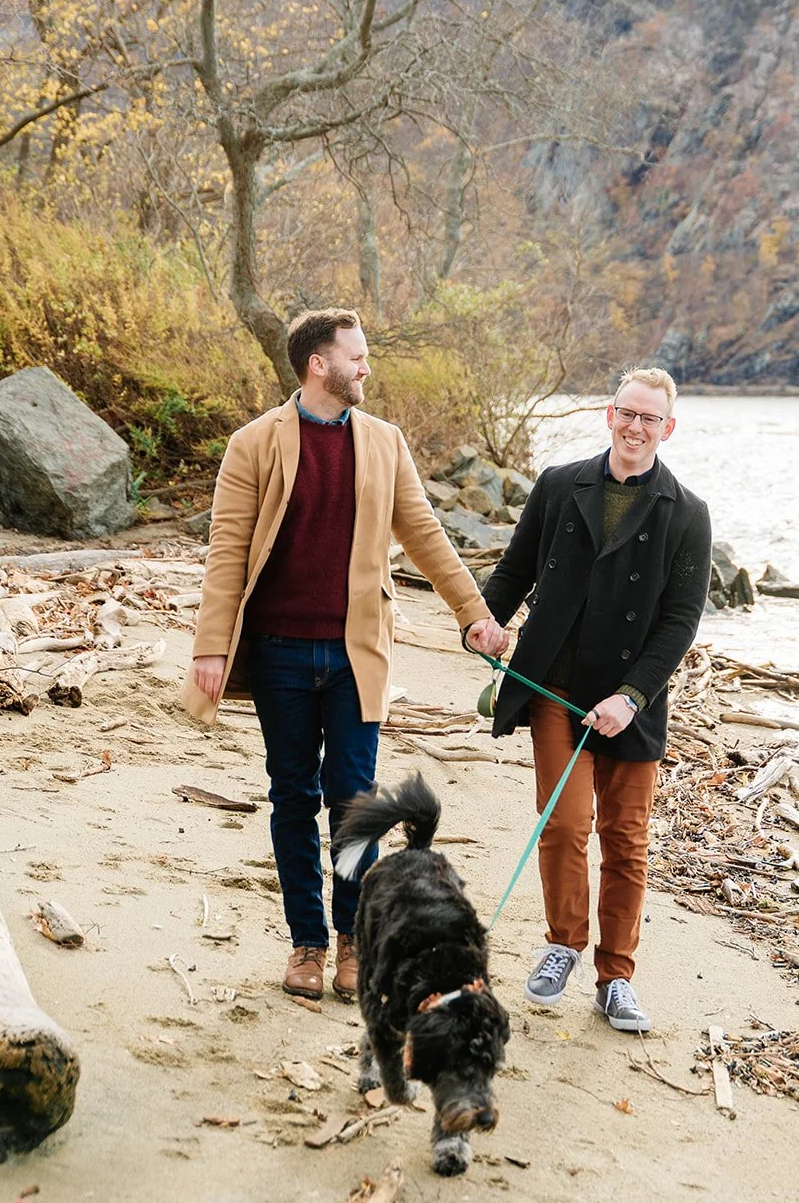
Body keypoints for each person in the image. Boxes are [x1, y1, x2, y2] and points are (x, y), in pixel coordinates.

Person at [182, 308, 509, 1003]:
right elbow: (227, 552)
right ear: (317, 365)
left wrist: (474, 615)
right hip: (277, 654)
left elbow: (424, 534)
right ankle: (307, 942)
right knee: (292, 797)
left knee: (356, 804)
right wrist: (211, 647)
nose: (366, 368)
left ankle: (353, 937)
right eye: (355, 357)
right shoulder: (255, 443)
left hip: (357, 652)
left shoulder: (384, 442)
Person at [479, 366, 711, 1033]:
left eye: (650, 419)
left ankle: (616, 978)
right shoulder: (558, 486)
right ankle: (562, 944)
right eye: (626, 413)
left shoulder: (687, 513)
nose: (635, 427)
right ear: (609, 415)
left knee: (627, 841)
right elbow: (515, 572)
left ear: (668, 429)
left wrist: (632, 696)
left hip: (631, 698)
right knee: (562, 823)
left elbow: (678, 623)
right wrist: (483, 622)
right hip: (552, 682)